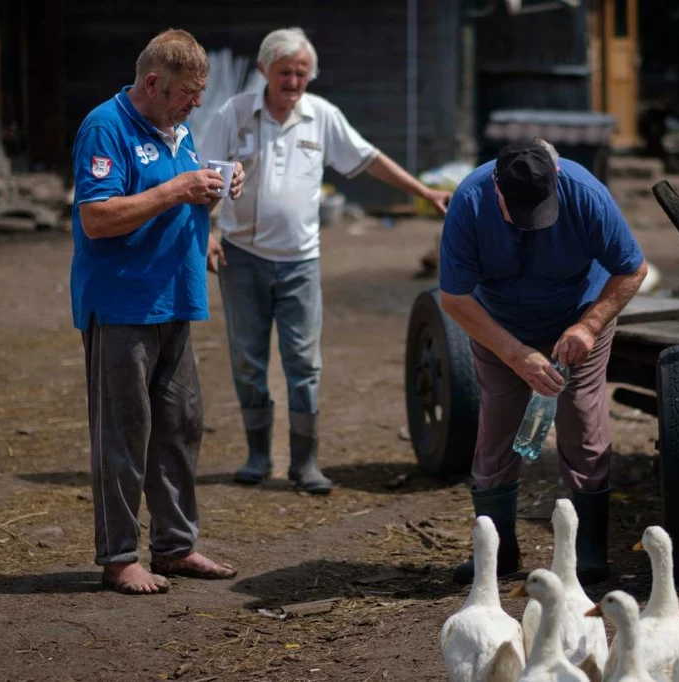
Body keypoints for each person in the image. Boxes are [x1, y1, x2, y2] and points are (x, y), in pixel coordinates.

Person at [196, 27, 452, 493]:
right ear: (263, 71)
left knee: (304, 362)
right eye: (284, 73)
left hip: (300, 262)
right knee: (248, 359)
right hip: (242, 257)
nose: (293, 82)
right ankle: (257, 456)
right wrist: (205, 234)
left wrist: (423, 191)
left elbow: (369, 159)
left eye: (301, 73)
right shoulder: (233, 115)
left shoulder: (322, 117)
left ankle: (304, 462)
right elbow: (203, 175)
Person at [70, 29, 246, 594]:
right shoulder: (106, 126)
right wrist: (177, 189)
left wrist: (215, 189)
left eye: (199, 93)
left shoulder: (178, 128)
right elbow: (97, 217)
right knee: (124, 433)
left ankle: (175, 547)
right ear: (153, 83)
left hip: (175, 300)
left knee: (180, 425)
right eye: (188, 93)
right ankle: (119, 556)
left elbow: (180, 193)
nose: (196, 104)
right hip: (123, 304)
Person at [438, 138, 648, 585]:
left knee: (582, 423)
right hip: (500, 326)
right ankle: (496, 551)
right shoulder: (469, 202)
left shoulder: (586, 194)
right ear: (497, 189)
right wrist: (515, 354)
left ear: (556, 181)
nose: (530, 224)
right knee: (497, 427)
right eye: (518, 211)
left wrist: (588, 327)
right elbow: (454, 297)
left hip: (577, 318)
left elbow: (632, 270)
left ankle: (588, 551)